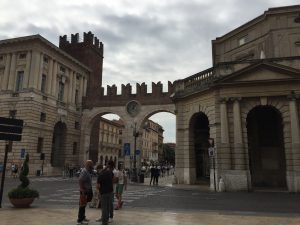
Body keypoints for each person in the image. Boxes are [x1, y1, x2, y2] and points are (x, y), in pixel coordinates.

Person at [96, 160, 114, 225]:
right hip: (110, 192)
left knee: (104, 208)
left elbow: (98, 186)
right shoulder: (109, 173)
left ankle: (104, 222)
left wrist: (98, 194)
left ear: (99, 169)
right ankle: (106, 220)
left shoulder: (100, 175)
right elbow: (113, 179)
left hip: (103, 193)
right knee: (107, 207)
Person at [77, 160, 94, 225]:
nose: (92, 166)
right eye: (91, 164)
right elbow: (80, 180)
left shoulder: (87, 171)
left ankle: (83, 217)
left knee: (84, 205)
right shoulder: (84, 171)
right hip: (84, 191)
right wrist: (82, 189)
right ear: (88, 165)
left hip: (87, 190)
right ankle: (80, 220)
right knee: (82, 205)